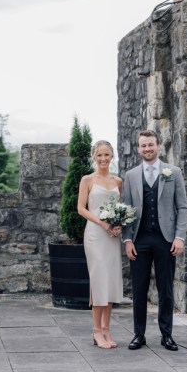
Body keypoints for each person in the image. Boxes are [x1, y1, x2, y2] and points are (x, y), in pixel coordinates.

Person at [122, 130, 187, 351]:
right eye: (143, 146)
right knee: (139, 290)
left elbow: (182, 207)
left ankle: (166, 335)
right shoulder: (130, 176)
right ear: (139, 149)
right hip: (139, 239)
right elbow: (126, 211)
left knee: (166, 289)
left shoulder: (174, 172)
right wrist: (127, 240)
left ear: (158, 146)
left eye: (151, 145)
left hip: (166, 239)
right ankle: (138, 335)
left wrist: (179, 237)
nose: (147, 149)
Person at [77, 141, 123, 350]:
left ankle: (106, 328)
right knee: (99, 279)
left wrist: (119, 224)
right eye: (99, 155)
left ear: (112, 156)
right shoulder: (87, 179)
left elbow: (121, 207)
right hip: (95, 234)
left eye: (107, 155)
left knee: (112, 280)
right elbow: (81, 208)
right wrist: (102, 223)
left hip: (112, 236)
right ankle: (96, 330)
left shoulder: (118, 181)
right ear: (94, 156)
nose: (103, 159)